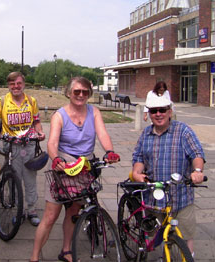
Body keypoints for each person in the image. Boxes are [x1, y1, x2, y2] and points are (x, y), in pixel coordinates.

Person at [30, 77, 120, 262]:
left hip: (83, 166)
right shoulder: (59, 115)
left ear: (89, 94)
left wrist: (109, 151)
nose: (80, 95)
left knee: (73, 213)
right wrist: (55, 159)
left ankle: (66, 250)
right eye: (77, 91)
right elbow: (52, 142)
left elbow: (102, 133)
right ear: (69, 93)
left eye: (85, 92)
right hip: (63, 165)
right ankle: (34, 256)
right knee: (50, 215)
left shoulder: (93, 112)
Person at [132, 95, 205, 257]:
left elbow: (197, 154)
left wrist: (197, 172)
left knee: (185, 236)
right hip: (154, 196)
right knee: (151, 235)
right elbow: (138, 157)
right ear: (149, 114)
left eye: (162, 110)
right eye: (154, 111)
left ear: (170, 111)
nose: (158, 114)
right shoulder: (146, 134)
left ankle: (187, 256)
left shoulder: (183, 131)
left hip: (180, 197)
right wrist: (137, 173)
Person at [0, 71, 46, 226]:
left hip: (29, 144)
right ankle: (17, 209)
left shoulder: (31, 100)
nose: (15, 87)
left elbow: (36, 121)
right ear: (8, 85)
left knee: (30, 178)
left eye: (19, 83)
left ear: (24, 84)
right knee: (13, 178)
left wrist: (40, 131)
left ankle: (32, 209)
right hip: (11, 145)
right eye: (12, 84)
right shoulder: (2, 101)